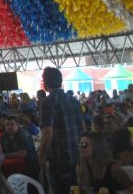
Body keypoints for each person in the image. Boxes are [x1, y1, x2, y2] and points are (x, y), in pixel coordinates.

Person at [38, 66, 84, 194]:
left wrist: (41, 156)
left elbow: (47, 134)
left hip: (59, 158)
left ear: (45, 83)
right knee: (77, 189)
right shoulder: (74, 101)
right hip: (77, 155)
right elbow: (82, 129)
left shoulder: (47, 103)